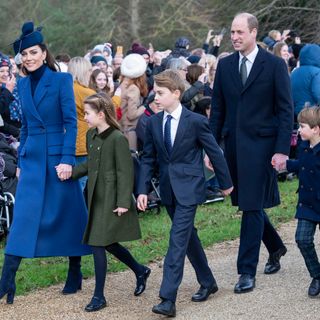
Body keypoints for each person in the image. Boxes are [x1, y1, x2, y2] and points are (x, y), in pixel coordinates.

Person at [0, 21, 90, 304]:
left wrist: (66, 160)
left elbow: (70, 123)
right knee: (23, 220)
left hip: (57, 160)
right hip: (33, 159)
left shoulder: (62, 80)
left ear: (43, 52)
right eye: (24, 54)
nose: (28, 57)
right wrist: (23, 156)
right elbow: (25, 126)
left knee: (69, 215)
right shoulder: (23, 85)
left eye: (33, 52)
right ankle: (7, 282)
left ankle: (75, 270)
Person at [137, 70, 233, 317]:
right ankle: (208, 281)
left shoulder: (196, 121)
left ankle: (167, 299)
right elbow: (148, 159)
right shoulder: (153, 122)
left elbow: (214, 152)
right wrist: (142, 190)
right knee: (188, 237)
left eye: (160, 93)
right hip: (168, 190)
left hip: (190, 189)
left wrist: (226, 183)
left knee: (177, 241)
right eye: (154, 92)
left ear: (176, 94)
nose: (155, 97)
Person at [209, 12, 293, 294]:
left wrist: (282, 150)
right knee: (248, 202)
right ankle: (276, 246)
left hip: (263, 149)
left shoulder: (274, 65)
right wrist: (211, 148)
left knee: (252, 206)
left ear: (254, 32)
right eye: (232, 32)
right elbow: (218, 110)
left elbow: (285, 111)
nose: (234, 37)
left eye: (239, 32)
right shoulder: (225, 65)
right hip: (233, 147)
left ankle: (246, 271)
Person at [67, 93, 150, 312]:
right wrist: (71, 173)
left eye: (87, 113)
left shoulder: (117, 138)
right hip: (95, 196)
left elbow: (125, 173)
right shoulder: (92, 135)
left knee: (97, 243)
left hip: (112, 198)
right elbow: (90, 165)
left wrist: (124, 201)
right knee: (107, 243)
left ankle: (99, 296)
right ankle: (140, 270)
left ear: (101, 114)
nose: (84, 117)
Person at [283, 106, 320, 297]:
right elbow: (303, 165)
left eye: (302, 126)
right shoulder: (304, 145)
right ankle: (317, 275)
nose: (299, 130)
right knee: (302, 239)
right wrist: (286, 164)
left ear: (316, 129)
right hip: (307, 203)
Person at [67, 56, 96, 191]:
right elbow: (102, 114)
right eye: (89, 70)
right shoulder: (86, 93)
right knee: (80, 184)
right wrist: (118, 97)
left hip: (67, 141)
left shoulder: (65, 88)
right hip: (83, 142)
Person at [119, 53, 148, 150]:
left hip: (121, 128)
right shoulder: (133, 88)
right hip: (129, 130)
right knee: (132, 161)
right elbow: (131, 115)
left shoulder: (122, 84)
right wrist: (145, 107)